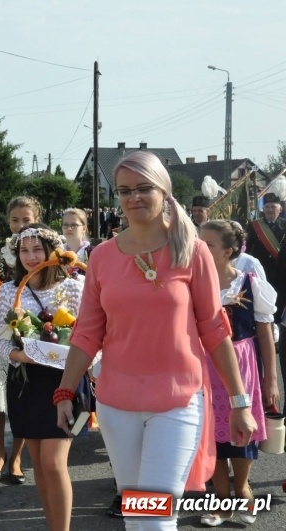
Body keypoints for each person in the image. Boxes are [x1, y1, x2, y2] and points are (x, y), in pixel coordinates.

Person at [55, 151, 256, 531]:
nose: (133, 197)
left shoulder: (192, 250)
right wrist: (65, 392)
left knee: (154, 517)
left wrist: (239, 402)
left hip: (177, 402)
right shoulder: (102, 257)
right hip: (116, 404)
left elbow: (215, 330)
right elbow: (87, 332)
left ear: (164, 191)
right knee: (137, 513)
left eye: (143, 188)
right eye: (124, 190)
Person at [0, 223, 90, 531]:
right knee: (38, 464)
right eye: (24, 250)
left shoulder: (74, 286)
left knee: (53, 462)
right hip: (25, 383)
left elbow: (91, 337)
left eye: (38, 249)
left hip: (66, 382)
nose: (31, 256)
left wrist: (68, 359)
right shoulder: (9, 291)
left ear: (52, 251)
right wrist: (26, 355)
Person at [197, 220, 279, 526]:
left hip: (241, 363)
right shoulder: (193, 284)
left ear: (229, 251)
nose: (199, 249)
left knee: (241, 430)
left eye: (208, 245)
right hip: (203, 365)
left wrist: (271, 380)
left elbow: (265, 334)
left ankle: (242, 488)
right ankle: (221, 498)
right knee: (210, 433)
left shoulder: (249, 282)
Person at [0, 196, 39, 484]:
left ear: (37, 219)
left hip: (30, 324)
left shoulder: (41, 249)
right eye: (15, 220)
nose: (20, 225)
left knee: (22, 390)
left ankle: (16, 457)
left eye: (26, 220)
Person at [246, 191, 286, 410]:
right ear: (263, 209)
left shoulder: (285, 226)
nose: (270, 210)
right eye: (267, 207)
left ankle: (276, 338)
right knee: (264, 314)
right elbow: (249, 249)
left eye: (274, 207)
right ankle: (269, 337)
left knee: (277, 311)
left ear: (280, 208)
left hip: (280, 277)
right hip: (262, 277)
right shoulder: (254, 227)